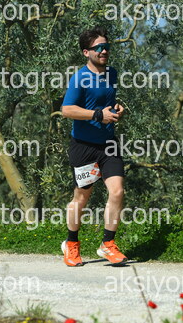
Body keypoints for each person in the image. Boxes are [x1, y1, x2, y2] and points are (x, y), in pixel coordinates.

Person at [60, 26, 127, 266]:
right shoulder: (79, 78)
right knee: (81, 198)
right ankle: (71, 244)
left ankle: (108, 243)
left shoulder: (112, 74)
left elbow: (106, 101)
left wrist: (116, 109)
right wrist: (98, 115)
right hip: (84, 146)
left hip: (108, 144)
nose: (104, 51)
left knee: (117, 191)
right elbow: (67, 110)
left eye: (106, 47)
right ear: (86, 52)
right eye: (99, 48)